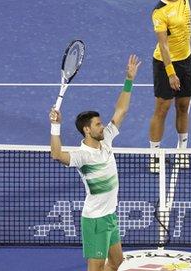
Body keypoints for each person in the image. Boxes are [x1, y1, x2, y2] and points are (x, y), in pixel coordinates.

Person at [48, 55, 141, 271]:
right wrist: (55, 126)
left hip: (110, 216)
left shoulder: (106, 138)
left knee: (117, 262)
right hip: (95, 220)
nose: (103, 126)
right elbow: (57, 155)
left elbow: (121, 111)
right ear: (87, 130)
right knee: (96, 266)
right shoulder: (82, 156)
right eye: (98, 124)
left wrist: (129, 79)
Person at [148, 0, 191, 173]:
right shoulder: (159, 12)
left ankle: (182, 150)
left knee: (183, 106)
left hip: (185, 59)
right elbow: (164, 44)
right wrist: (170, 73)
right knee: (162, 109)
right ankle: (154, 154)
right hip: (164, 64)